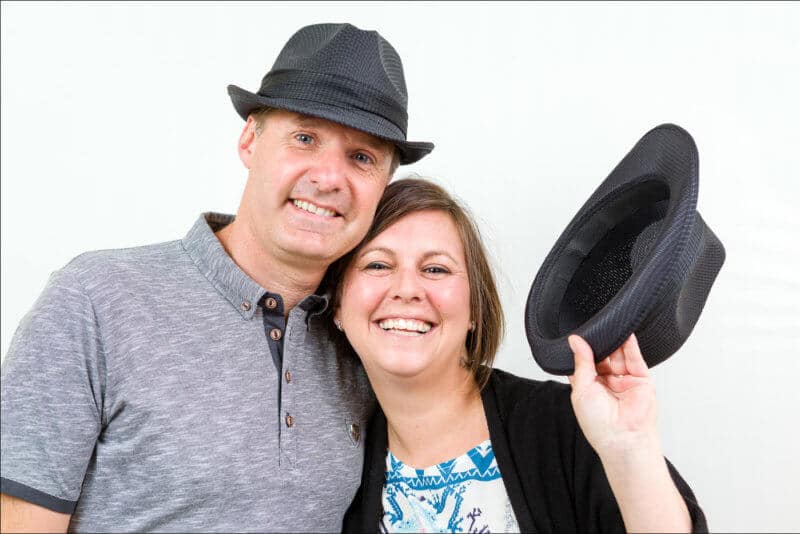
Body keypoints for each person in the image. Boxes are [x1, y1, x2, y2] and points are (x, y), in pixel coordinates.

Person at [0, 23, 433, 532]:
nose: (329, 177)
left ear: (384, 184)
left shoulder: (364, 335)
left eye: (361, 157)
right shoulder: (97, 297)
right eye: (304, 138)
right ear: (250, 140)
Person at [331, 178, 708, 533]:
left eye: (435, 268)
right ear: (337, 307)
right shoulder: (341, 469)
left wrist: (629, 447)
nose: (407, 288)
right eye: (377, 264)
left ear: (475, 309)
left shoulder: (568, 424)